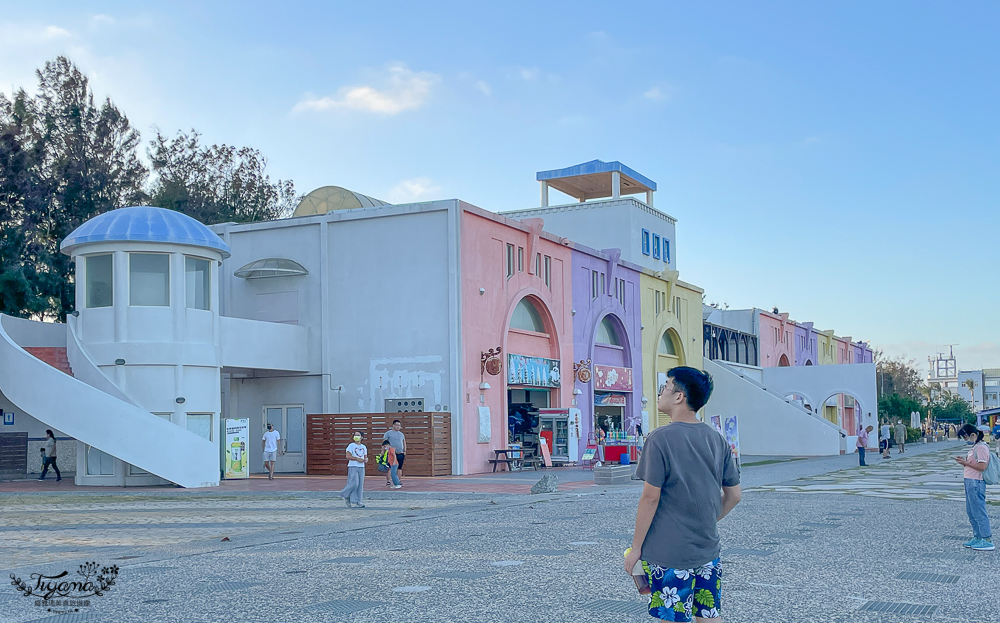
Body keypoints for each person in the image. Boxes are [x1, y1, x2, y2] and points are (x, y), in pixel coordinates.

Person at [626, 367, 741, 622]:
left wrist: (636, 548)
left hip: (669, 553)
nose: (660, 392)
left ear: (679, 396)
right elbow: (734, 495)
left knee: (673, 618)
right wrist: (708, 520)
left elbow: (650, 498)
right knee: (709, 615)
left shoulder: (659, 439)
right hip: (708, 550)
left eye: (665, 386)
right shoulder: (717, 439)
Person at [954, 424, 994, 551]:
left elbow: (982, 467)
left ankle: (987, 539)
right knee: (971, 512)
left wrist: (965, 463)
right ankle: (978, 537)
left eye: (965, 436)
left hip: (976, 482)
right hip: (970, 480)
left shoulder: (981, 447)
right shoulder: (975, 446)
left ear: (973, 434)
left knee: (979, 511)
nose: (965, 439)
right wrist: (964, 462)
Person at [340, 431, 368, 508]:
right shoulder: (351, 446)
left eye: (358, 435)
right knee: (354, 483)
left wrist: (365, 459)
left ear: (362, 437)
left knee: (360, 485)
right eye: (355, 435)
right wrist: (356, 459)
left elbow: (365, 456)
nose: (356, 436)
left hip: (361, 467)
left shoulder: (363, 447)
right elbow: (348, 456)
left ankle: (358, 501)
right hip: (353, 466)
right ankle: (345, 494)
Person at [382, 420, 406, 484]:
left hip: (400, 453)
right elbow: (384, 443)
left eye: (399, 426)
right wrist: (383, 451)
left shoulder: (401, 434)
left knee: (399, 468)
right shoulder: (388, 433)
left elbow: (404, 442)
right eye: (397, 425)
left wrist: (404, 451)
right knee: (390, 467)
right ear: (393, 425)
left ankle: (398, 480)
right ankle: (389, 481)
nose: (398, 427)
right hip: (391, 453)